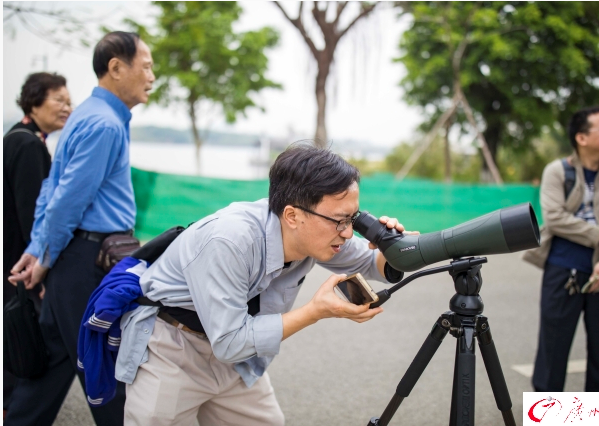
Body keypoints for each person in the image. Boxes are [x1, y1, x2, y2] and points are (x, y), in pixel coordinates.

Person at [115, 144, 406, 425]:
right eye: (340, 221)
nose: (347, 233)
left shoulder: (315, 233)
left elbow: (371, 263)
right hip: (172, 348)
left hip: (236, 358)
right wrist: (314, 311)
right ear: (293, 215)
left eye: (353, 218)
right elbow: (229, 342)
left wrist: (397, 248)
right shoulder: (229, 240)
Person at [5, 31, 155, 426]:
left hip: (75, 258)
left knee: (52, 366)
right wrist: (43, 257)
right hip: (87, 262)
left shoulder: (89, 115)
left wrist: (40, 250)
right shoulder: (104, 124)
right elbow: (68, 199)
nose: (152, 75)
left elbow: (50, 191)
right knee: (104, 371)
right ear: (116, 68)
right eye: (146, 65)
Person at [523, 106, 599, 392]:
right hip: (562, 271)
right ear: (582, 137)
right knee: (552, 355)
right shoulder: (557, 171)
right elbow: (555, 219)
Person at [3, 72, 71, 417]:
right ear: (34, 100)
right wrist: (43, 266)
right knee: (21, 336)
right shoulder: (29, 144)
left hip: (12, 259)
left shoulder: (17, 138)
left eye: (68, 101)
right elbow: (34, 213)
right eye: (59, 99)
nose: (67, 107)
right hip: (19, 263)